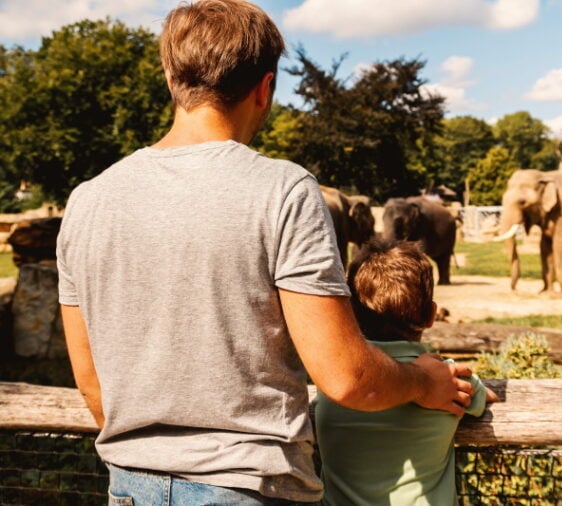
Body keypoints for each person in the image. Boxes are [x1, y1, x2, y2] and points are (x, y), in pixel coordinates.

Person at [56, 1, 474, 504]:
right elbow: (346, 377)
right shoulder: (284, 190)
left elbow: (91, 382)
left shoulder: (88, 200)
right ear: (265, 88)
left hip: (129, 485)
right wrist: (419, 383)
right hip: (248, 487)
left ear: (171, 77)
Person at [315, 239, 499, 506]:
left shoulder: (334, 378)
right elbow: (484, 397)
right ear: (431, 316)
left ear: (352, 312)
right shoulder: (448, 379)